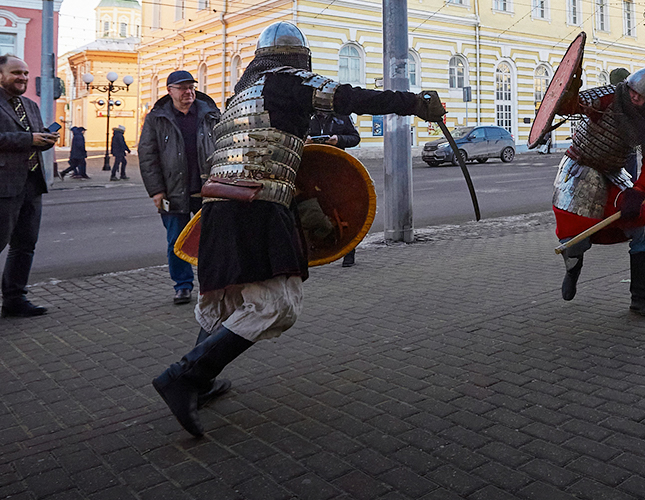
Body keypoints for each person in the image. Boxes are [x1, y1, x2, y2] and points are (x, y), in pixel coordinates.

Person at [151, 21, 447, 437]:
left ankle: (200, 381)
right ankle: (183, 377)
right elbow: (348, 97)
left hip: (220, 205)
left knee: (225, 296)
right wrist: (414, 103)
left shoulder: (241, 97)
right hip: (256, 205)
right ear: (299, 58)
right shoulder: (287, 81)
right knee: (276, 305)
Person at [553, 67, 645, 318]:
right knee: (576, 236)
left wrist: (639, 191)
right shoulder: (606, 97)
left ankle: (639, 299)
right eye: (633, 93)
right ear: (628, 87)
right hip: (580, 167)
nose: (635, 98)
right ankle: (573, 267)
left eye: (641, 97)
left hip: (614, 172)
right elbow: (571, 107)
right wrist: (568, 95)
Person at [138, 70, 220, 305]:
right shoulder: (157, 118)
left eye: (191, 87)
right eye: (182, 88)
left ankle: (211, 284)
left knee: (211, 240)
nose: (188, 92)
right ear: (170, 91)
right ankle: (182, 286)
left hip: (208, 189)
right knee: (177, 240)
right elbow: (147, 156)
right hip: (173, 192)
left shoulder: (211, 114)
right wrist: (156, 191)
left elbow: (225, 146)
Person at [0, 55, 59, 317]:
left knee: (25, 245)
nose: (22, 77)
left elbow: (34, 135)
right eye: (16, 73)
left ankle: (14, 299)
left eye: (24, 73)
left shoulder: (30, 105)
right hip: (4, 185)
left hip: (32, 184)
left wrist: (46, 138)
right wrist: (28, 139)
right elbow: (23, 138)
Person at [306, 112, 361, 266]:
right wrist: (305, 141)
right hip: (312, 169)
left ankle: (348, 252)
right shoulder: (306, 116)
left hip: (336, 169)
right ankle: (317, 248)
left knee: (343, 210)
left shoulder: (341, 116)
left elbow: (355, 138)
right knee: (313, 209)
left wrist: (339, 139)